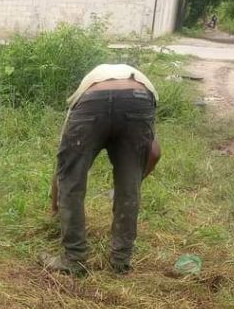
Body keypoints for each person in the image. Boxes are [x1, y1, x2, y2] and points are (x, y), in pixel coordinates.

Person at [41, 64, 162, 276]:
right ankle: (120, 262)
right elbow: (154, 154)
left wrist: (55, 207)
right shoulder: (142, 85)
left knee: (72, 180)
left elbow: (64, 171)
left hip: (92, 103)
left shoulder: (83, 93)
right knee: (128, 187)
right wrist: (134, 181)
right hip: (138, 100)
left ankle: (74, 259)